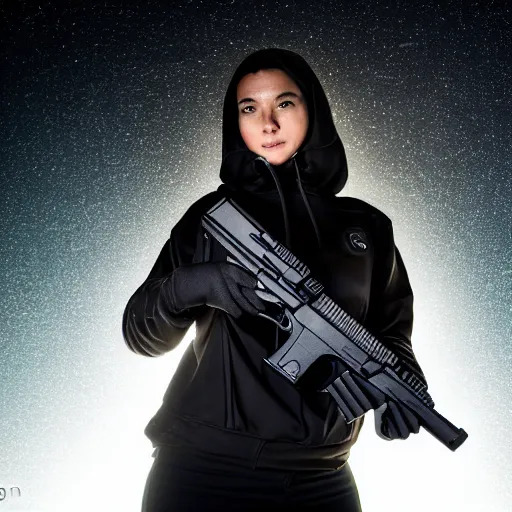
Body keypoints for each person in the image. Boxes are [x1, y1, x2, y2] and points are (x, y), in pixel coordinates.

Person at [122, 48, 429, 511]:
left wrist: (401, 389)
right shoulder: (212, 219)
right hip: (201, 472)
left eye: (284, 103)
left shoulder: (367, 227)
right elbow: (141, 337)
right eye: (249, 108)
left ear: (313, 111)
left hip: (323, 477)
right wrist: (189, 285)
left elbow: (390, 331)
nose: (267, 123)